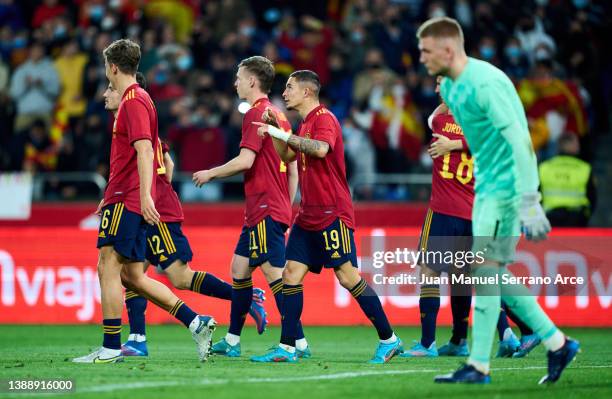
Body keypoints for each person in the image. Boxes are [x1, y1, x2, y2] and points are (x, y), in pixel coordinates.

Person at [416, 17, 578, 384]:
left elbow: (519, 140)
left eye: (426, 51)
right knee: (486, 272)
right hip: (485, 191)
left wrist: (530, 199)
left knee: (485, 271)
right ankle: (554, 342)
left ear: (447, 50)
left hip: (507, 191)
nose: (422, 59)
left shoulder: (485, 83)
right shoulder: (453, 92)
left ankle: (483, 363)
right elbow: (474, 142)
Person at [96, 72, 266, 357]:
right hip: (145, 205)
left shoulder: (137, 123)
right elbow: (168, 163)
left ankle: (245, 297)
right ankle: (138, 337)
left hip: (154, 210)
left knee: (177, 277)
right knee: (132, 273)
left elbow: (162, 163)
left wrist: (156, 194)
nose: (107, 94)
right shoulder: (133, 125)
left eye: (111, 89)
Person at [73, 39, 215, 364]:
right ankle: (196, 322)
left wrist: (144, 195)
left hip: (129, 199)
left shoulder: (133, 100)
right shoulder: (140, 100)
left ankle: (110, 347)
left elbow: (146, 151)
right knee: (132, 276)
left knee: (107, 266)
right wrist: (109, 195)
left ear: (112, 67)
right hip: (123, 195)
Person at [250, 70, 402, 364]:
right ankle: (287, 347)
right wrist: (276, 133)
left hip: (332, 212)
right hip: (307, 214)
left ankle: (389, 339)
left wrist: (279, 132)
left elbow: (320, 150)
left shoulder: (324, 119)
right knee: (290, 275)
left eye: (290, 87)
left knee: (348, 277)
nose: (284, 93)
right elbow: (288, 156)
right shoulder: (305, 123)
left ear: (307, 92)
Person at [193, 56, 309, 358]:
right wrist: (287, 202)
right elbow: (293, 165)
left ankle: (297, 343)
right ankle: (232, 341)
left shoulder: (256, 113)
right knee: (239, 269)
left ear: (252, 82)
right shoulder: (279, 115)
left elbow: (245, 161)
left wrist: (210, 173)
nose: (235, 83)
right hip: (267, 207)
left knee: (276, 276)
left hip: (265, 208)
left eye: (238, 77)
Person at [539, 132, 596, 227]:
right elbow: (592, 198)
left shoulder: (543, 168)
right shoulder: (585, 169)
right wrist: (585, 216)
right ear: (575, 147)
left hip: (549, 220)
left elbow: (536, 196)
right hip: (578, 221)